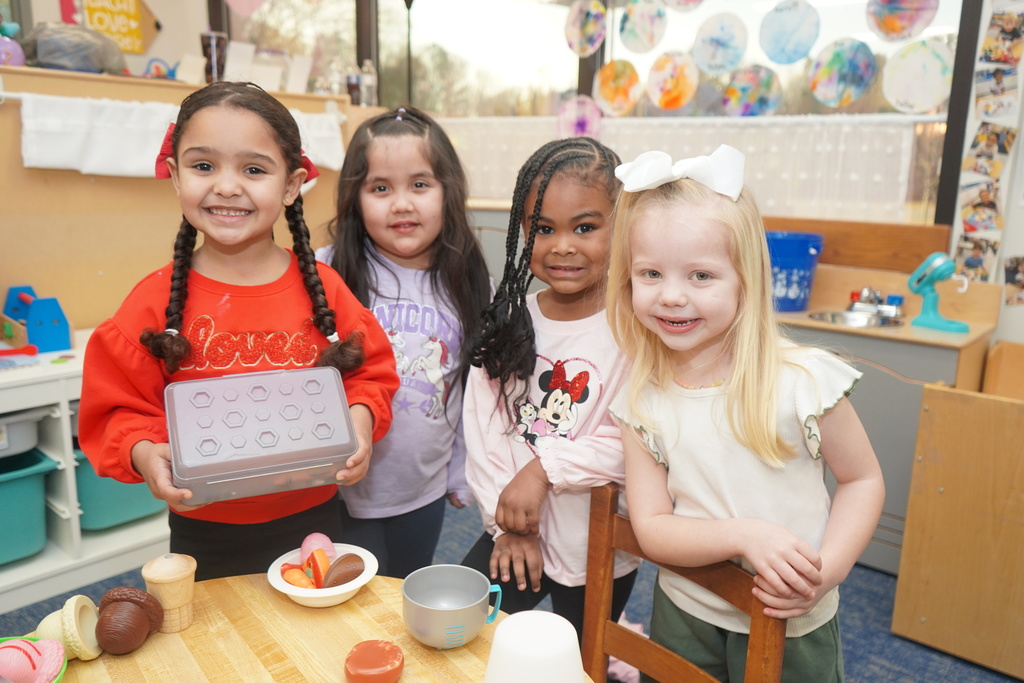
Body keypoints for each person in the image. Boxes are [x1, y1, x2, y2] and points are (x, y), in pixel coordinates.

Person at [78, 82, 399, 581]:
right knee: (219, 649)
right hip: (203, 529)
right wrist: (144, 453)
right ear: (175, 177)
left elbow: (368, 374)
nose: (227, 186)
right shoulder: (152, 302)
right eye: (203, 166)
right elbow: (119, 406)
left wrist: (359, 421)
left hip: (313, 518)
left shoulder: (326, 291)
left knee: (313, 643)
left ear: (291, 185)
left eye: (253, 169)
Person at [606, 146, 885, 682]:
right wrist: (745, 535)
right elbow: (653, 528)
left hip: (790, 617)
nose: (671, 296)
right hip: (683, 610)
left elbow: (863, 479)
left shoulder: (803, 382)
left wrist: (831, 569)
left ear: (746, 279)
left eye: (701, 276)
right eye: (651, 273)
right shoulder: (641, 400)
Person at [461, 137, 640, 641]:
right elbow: (484, 430)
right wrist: (509, 528)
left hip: (599, 547)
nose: (562, 245)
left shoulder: (639, 329)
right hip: (513, 533)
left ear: (621, 224)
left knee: (579, 663)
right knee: (465, 637)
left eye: (585, 227)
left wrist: (545, 470)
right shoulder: (511, 322)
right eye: (543, 229)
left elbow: (638, 444)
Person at [316, 106, 491, 579]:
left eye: (419, 184)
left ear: (446, 191)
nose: (402, 204)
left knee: (405, 592)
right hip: (342, 489)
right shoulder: (325, 272)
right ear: (355, 198)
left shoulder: (468, 280)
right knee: (352, 602)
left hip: (423, 488)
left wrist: (460, 470)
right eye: (380, 188)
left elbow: (470, 387)